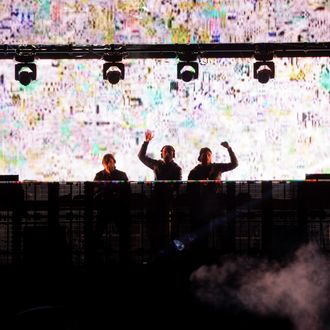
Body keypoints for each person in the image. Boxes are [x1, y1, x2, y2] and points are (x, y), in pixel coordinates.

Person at [187, 142, 238, 262]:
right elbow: (189, 189)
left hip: (216, 206)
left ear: (211, 157)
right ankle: (204, 260)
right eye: (204, 155)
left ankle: (223, 259)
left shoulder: (217, 167)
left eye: (208, 155)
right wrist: (199, 185)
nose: (206, 157)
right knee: (204, 235)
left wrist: (229, 149)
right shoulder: (194, 172)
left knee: (221, 233)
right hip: (202, 207)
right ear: (200, 157)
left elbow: (234, 164)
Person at [138, 130, 182, 260]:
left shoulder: (177, 168)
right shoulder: (156, 164)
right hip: (155, 200)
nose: (167, 153)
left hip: (168, 201)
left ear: (173, 154)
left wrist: (170, 191)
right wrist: (146, 142)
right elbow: (141, 157)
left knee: (168, 229)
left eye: (170, 151)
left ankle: (168, 253)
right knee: (153, 227)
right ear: (162, 153)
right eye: (165, 151)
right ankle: (155, 251)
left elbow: (177, 185)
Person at [93, 153, 130, 264]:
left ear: (114, 162)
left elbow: (127, 192)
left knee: (123, 234)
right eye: (107, 162)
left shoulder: (120, 175)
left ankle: (124, 258)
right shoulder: (100, 175)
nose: (109, 164)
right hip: (106, 208)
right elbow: (95, 192)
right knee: (98, 234)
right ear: (104, 164)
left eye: (110, 161)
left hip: (116, 209)